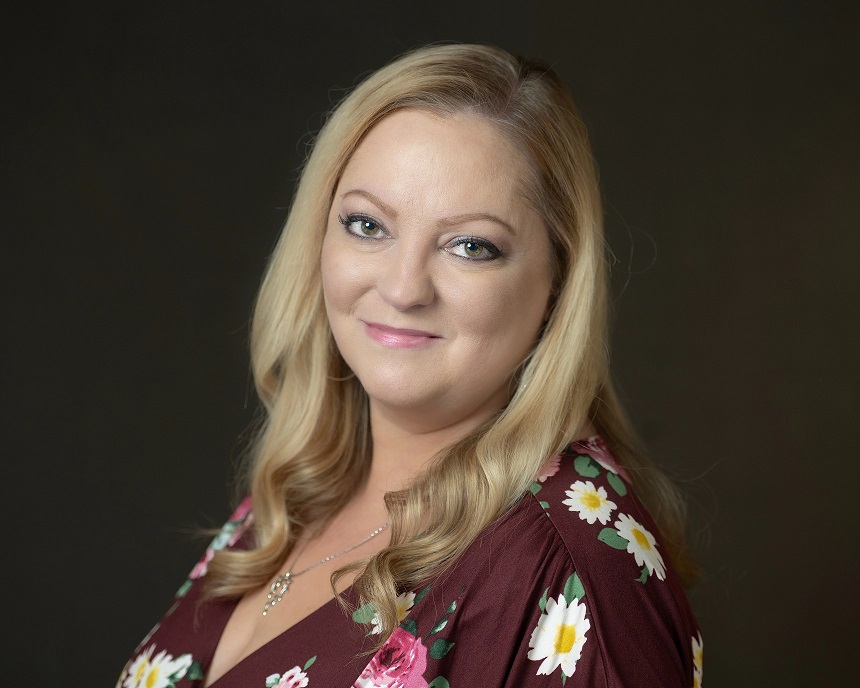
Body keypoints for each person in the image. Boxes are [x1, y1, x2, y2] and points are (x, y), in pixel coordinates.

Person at [117, 44, 702, 688]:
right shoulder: (298, 493)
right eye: (368, 224)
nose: (402, 289)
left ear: (557, 283)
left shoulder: (577, 570)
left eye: (471, 246)